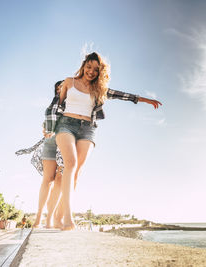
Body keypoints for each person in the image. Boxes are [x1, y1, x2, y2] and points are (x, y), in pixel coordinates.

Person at [46, 52, 162, 230]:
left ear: (100, 72)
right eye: (89, 67)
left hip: (88, 129)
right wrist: (48, 127)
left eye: (96, 70)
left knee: (76, 173)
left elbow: (122, 95)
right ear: (84, 65)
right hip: (66, 125)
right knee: (70, 164)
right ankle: (68, 218)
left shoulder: (98, 90)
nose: (91, 71)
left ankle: (58, 216)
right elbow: (55, 105)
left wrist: (145, 99)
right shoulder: (69, 82)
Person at [16, 81, 65, 228]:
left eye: (63, 88)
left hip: (65, 143)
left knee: (60, 179)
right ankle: (39, 216)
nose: (60, 91)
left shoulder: (73, 104)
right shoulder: (52, 106)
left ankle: (50, 217)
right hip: (50, 142)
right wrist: (45, 129)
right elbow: (46, 124)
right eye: (58, 89)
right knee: (47, 180)